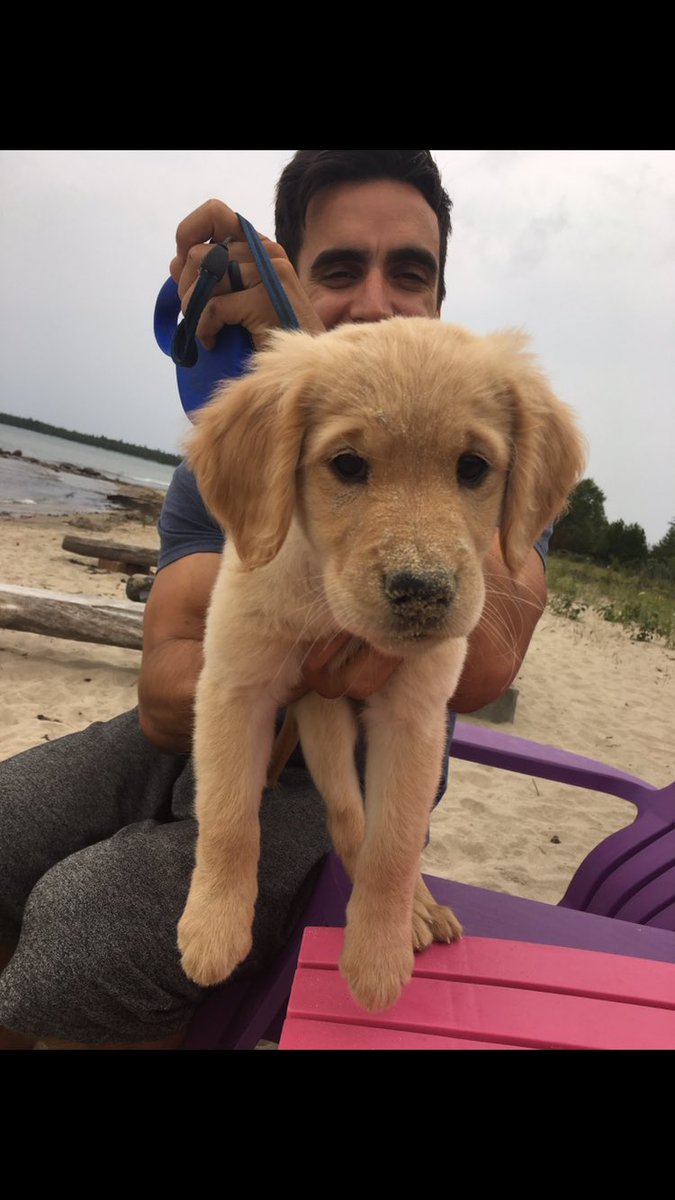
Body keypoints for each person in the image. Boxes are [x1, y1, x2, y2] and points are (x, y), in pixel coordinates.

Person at [0, 151, 548, 1051]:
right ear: (292, 270)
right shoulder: (263, 424)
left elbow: (482, 660)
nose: (376, 301)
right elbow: (172, 682)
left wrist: (385, 874)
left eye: (409, 272)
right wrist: (295, 388)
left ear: (441, 295)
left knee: (79, 933)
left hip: (361, 785)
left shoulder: (480, 409)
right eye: (340, 270)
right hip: (209, 736)